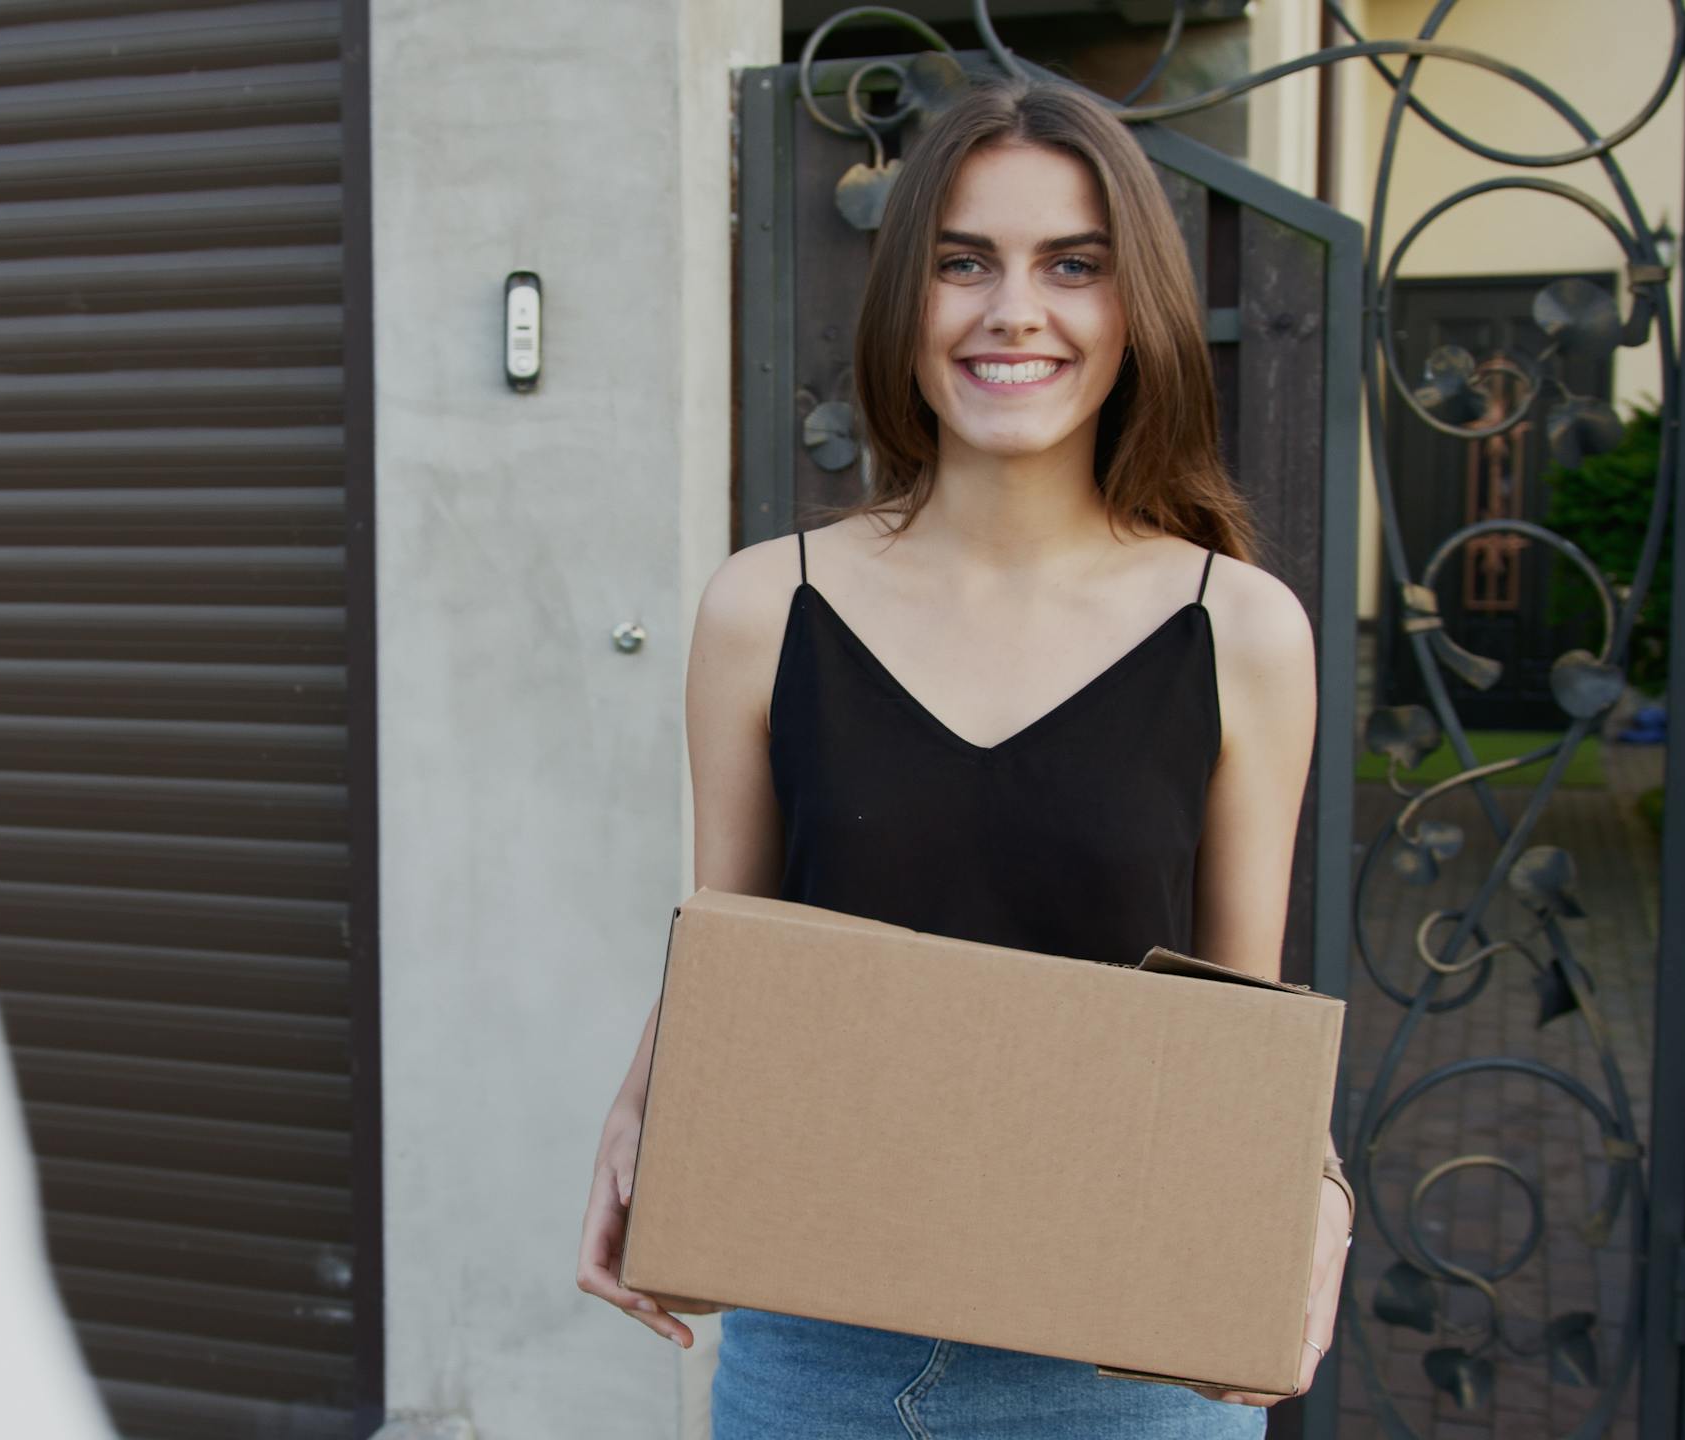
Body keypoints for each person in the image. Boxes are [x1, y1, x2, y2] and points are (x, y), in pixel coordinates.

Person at [574, 73, 1358, 1436]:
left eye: (1073, 265)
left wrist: (1324, 1194)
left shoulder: (1239, 629)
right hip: (818, 1357)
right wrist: (644, 1101)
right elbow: (738, 947)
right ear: (907, 302)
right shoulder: (768, 605)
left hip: (1131, 1373)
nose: (1014, 310)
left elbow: (1243, 1019)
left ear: (1137, 309)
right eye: (963, 263)